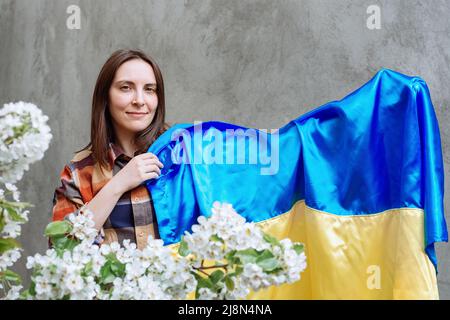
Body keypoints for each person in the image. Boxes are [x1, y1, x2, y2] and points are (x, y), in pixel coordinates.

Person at [52, 49, 168, 249]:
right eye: (126, 88)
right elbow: (62, 248)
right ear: (105, 96)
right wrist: (118, 184)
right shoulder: (79, 173)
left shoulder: (182, 156)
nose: (140, 100)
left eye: (149, 89)